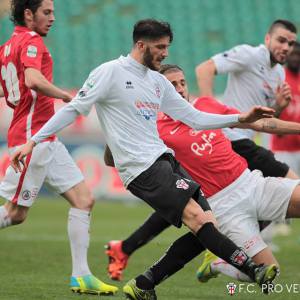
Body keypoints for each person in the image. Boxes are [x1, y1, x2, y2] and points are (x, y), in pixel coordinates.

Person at [10, 19, 278, 300]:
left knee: (209, 225)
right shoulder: (110, 72)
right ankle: (253, 268)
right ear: (141, 45)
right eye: (160, 47)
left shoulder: (158, 82)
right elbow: (73, 109)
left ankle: (144, 284)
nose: (165, 53)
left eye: (167, 47)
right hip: (141, 168)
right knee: (198, 219)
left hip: (165, 160)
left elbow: (194, 117)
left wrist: (241, 119)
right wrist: (33, 141)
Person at [104, 65, 300, 291]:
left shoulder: (206, 105)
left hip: (253, 184)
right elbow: (112, 159)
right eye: (172, 85)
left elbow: (263, 123)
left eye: (182, 83)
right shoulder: (152, 127)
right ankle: (218, 264)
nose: (179, 89)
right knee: (269, 275)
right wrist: (117, 130)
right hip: (224, 209)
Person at [0, 0, 117, 295]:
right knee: (15, 214)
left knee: (84, 200)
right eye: (47, 12)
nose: (53, 18)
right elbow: (33, 79)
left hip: (44, 136)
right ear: (29, 14)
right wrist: (66, 96)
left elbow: (13, 89)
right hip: (32, 138)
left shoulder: (6, 47)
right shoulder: (31, 40)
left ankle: (81, 276)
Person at [195, 19, 298, 180]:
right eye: (281, 40)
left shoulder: (279, 73)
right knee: (290, 181)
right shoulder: (249, 54)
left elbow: (264, 123)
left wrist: (278, 106)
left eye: (291, 44)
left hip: (243, 143)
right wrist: (211, 117)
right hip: (230, 136)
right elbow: (204, 69)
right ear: (267, 39)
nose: (286, 47)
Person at [271, 41, 300, 174]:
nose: (296, 58)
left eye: (298, 54)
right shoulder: (279, 79)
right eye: (292, 54)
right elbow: (270, 114)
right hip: (283, 150)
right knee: (290, 192)